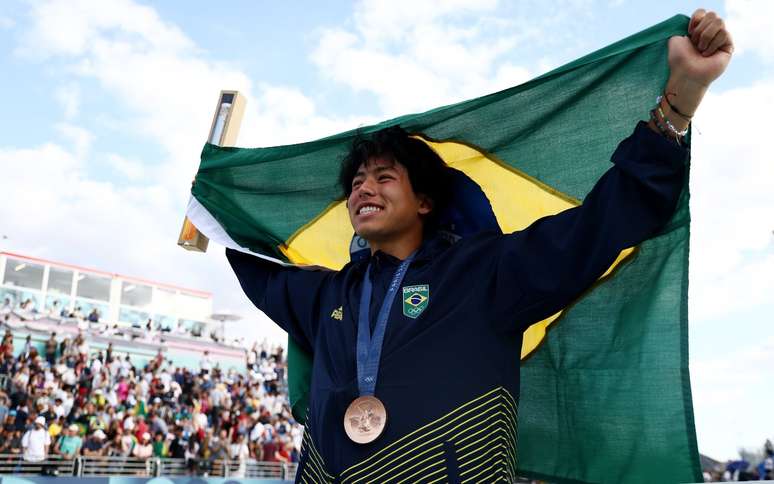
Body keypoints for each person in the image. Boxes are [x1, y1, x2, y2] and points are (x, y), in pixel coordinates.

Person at [225, 9, 732, 482]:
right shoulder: (327, 296)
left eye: (384, 176)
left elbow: (596, 229)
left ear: (424, 202)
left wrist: (678, 104)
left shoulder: (486, 274)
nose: (363, 189)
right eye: (356, 182)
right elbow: (254, 260)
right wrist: (211, 206)